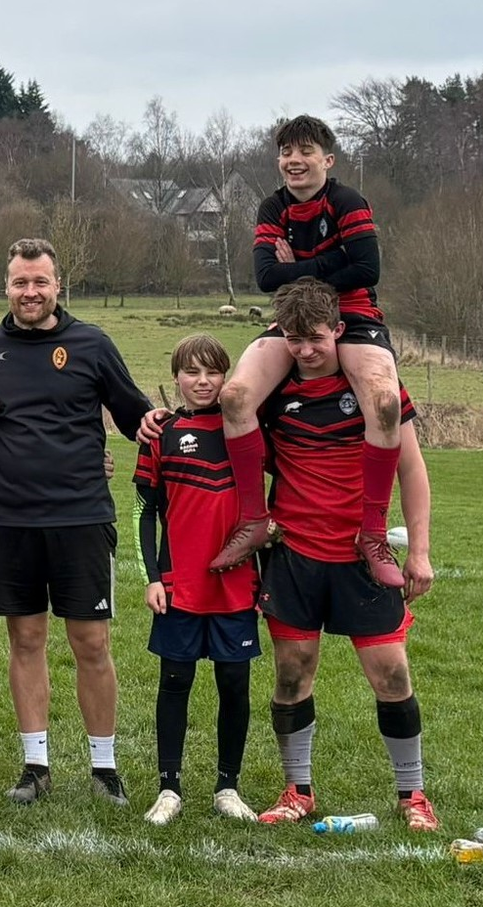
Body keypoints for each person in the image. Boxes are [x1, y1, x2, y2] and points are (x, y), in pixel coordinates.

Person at [0, 237, 165, 807]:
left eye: (40, 282)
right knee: (25, 639)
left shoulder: (91, 344)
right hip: (11, 520)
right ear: (6, 288)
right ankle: (36, 766)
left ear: (58, 286)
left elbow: (137, 419)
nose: (30, 292)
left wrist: (187, 427)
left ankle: (104, 768)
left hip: (80, 518)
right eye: (20, 283)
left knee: (91, 642)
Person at [248, 279, 437, 832]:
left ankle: (412, 796)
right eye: (293, 340)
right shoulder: (273, 394)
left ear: (338, 330)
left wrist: (419, 552)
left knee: (392, 677)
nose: (305, 350)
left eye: (315, 338)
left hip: (362, 557)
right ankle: (297, 789)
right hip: (295, 557)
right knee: (290, 675)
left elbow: (412, 470)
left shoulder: (376, 390)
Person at [216, 115, 404, 587]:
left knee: (384, 403)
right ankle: (255, 519)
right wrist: (326, 265)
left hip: (355, 316)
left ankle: (374, 533)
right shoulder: (271, 208)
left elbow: (367, 269)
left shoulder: (346, 201)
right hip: (294, 319)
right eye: (286, 153)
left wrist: (299, 268)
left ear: (327, 159)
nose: (293, 161)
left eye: (304, 152)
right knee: (235, 397)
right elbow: (264, 278)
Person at [133, 334, 260, 826]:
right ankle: (169, 789)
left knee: (234, 682)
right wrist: (153, 577)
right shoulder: (162, 434)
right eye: (192, 372)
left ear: (227, 378)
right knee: (175, 680)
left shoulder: (248, 429)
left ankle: (228, 787)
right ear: (176, 379)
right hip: (180, 583)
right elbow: (145, 510)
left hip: (236, 584)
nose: (202, 381)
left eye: (212, 372)